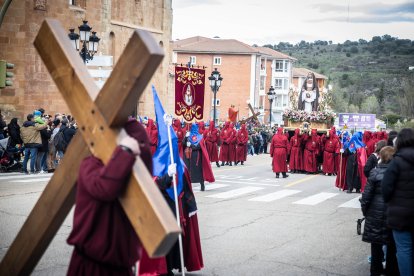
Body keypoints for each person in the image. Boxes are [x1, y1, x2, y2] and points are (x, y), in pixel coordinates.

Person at [67, 119, 152, 275]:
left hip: (121, 267)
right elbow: (105, 188)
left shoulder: (134, 177)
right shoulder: (90, 164)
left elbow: (145, 159)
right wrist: (125, 152)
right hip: (91, 266)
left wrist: (130, 151)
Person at [360, 146, 399, 276]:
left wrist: (366, 213)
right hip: (392, 215)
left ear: (380, 157)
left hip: (374, 215)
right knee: (392, 248)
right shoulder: (398, 173)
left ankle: (375, 272)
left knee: (376, 248)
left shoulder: (374, 173)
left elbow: (365, 197)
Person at [381, 128, 414, 276]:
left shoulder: (397, 161)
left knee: (404, 250)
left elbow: (386, 188)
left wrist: (391, 203)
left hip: (400, 215)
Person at [182, 123, 215, 191]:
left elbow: (199, 147)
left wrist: (191, 145)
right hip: (188, 156)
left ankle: (202, 185)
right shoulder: (188, 136)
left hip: (196, 156)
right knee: (188, 170)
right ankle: (188, 185)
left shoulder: (200, 137)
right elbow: (183, 144)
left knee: (198, 171)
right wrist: (185, 137)